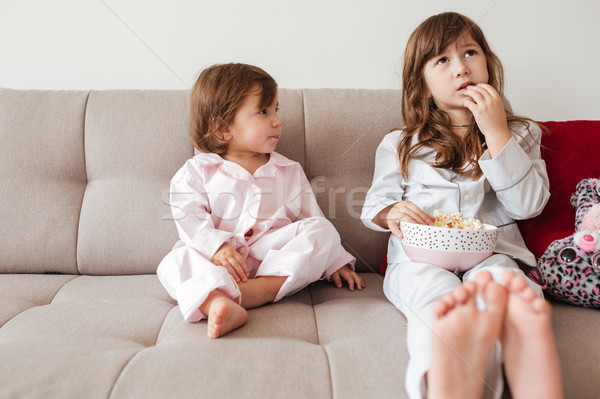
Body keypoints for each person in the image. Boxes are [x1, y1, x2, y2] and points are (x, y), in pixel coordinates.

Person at [361, 12, 562, 399]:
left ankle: (522, 369)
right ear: (421, 84)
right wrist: (392, 213)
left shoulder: (521, 133)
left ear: (488, 62)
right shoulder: (401, 143)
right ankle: (443, 377)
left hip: (493, 253)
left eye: (470, 53)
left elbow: (528, 206)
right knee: (434, 297)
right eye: (442, 60)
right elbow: (376, 203)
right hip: (419, 259)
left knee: (507, 286)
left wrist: (496, 131)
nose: (461, 68)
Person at [159, 63, 364, 339]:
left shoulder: (288, 170)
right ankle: (217, 302)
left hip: (271, 259)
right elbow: (188, 216)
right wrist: (216, 247)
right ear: (222, 128)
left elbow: (311, 219)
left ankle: (256, 292)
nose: (277, 120)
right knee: (175, 260)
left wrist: (334, 260)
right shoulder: (198, 171)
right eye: (264, 111)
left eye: (276, 110)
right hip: (218, 262)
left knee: (323, 231)